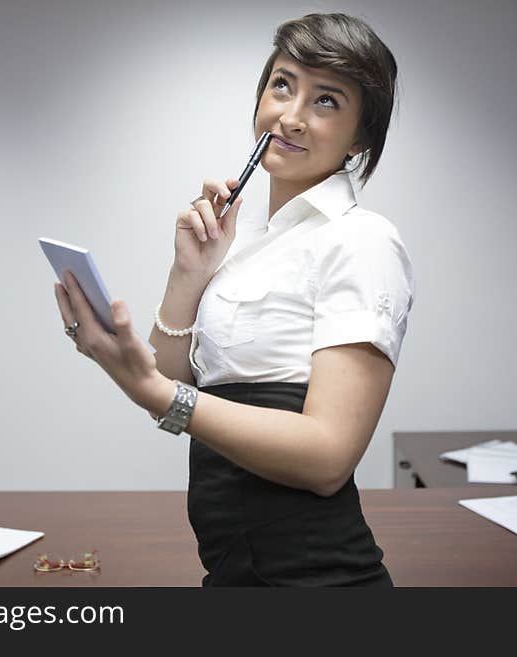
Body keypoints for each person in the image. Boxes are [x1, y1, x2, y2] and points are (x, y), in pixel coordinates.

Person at [54, 12, 415, 587]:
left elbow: (327, 459)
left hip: (315, 579)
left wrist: (155, 390)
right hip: (235, 571)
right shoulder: (246, 239)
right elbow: (169, 383)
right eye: (282, 85)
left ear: (362, 135)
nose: (290, 117)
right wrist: (188, 274)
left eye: (326, 102)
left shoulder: (361, 240)